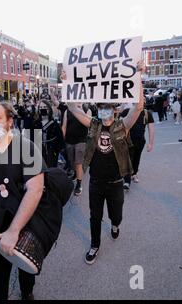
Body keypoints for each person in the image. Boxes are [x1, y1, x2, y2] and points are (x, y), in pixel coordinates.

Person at [62, 62, 145, 265]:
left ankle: (115, 225)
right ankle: (95, 245)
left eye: (107, 108)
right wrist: (66, 82)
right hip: (96, 182)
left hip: (116, 182)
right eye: (101, 108)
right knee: (94, 216)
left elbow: (138, 107)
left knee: (116, 215)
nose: (104, 112)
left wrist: (138, 77)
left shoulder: (122, 126)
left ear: (114, 111)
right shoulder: (93, 124)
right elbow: (72, 107)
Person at [0, 101, 45, 300]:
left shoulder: (28, 147)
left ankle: (26, 292)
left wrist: (14, 230)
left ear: (9, 121)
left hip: (25, 225)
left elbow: (35, 189)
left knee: (26, 271)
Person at [120, 103, 155, 189]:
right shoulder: (126, 111)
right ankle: (127, 181)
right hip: (127, 141)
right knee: (128, 159)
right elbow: (119, 124)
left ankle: (134, 173)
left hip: (140, 141)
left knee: (136, 158)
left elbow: (151, 129)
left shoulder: (147, 113)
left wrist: (150, 143)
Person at [62, 104, 91, 196]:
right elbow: (64, 126)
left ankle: (79, 185)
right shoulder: (68, 111)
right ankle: (75, 174)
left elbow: (88, 123)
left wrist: (80, 111)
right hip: (69, 141)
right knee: (72, 162)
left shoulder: (87, 110)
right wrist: (62, 140)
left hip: (81, 141)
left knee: (78, 163)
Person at [38, 100, 65, 168]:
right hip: (38, 154)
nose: (42, 109)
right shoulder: (35, 123)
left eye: (44, 107)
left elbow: (60, 140)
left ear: (49, 109)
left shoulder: (55, 124)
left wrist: (55, 151)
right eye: (40, 107)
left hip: (51, 155)